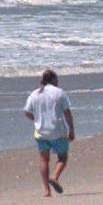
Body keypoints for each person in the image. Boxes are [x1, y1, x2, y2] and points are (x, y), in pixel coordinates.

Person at [23, 69, 74, 197]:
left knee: (44, 160)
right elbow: (67, 113)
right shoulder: (59, 92)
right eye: (56, 79)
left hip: (41, 132)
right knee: (62, 157)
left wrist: (37, 119)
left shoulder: (35, 94)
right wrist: (71, 129)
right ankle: (55, 176)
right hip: (57, 130)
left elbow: (27, 112)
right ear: (53, 79)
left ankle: (46, 190)